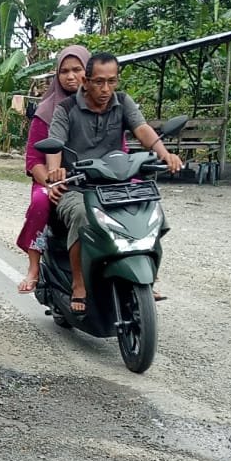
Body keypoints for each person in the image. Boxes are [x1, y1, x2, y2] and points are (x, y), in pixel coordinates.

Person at [45, 52, 182, 313]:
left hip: (117, 183)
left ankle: (146, 276)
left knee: (154, 213)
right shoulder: (66, 109)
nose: (106, 88)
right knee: (81, 216)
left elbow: (142, 129)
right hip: (78, 186)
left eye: (112, 81)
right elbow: (55, 143)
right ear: (86, 81)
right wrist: (55, 171)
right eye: (99, 82)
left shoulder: (122, 102)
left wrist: (165, 154)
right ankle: (79, 283)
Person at [16, 45, 88, 294]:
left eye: (77, 69)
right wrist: (50, 182)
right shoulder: (45, 113)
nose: (70, 76)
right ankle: (34, 267)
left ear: (87, 72)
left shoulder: (103, 108)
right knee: (40, 202)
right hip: (51, 179)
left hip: (91, 178)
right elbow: (34, 160)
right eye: (64, 71)